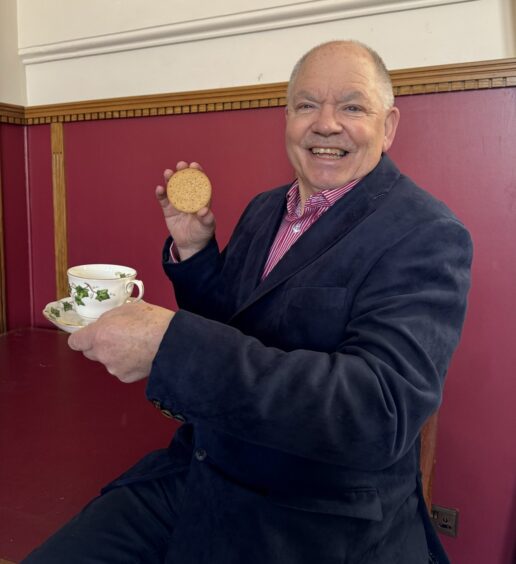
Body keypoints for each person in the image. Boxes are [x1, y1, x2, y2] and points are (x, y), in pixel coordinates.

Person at [23, 40, 472, 563]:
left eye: (352, 106)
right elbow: (232, 327)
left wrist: (168, 344)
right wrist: (195, 252)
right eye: (307, 104)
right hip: (202, 469)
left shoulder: (427, 234)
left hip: (311, 516)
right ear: (287, 117)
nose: (325, 124)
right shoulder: (265, 210)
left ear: (389, 125)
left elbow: (377, 414)